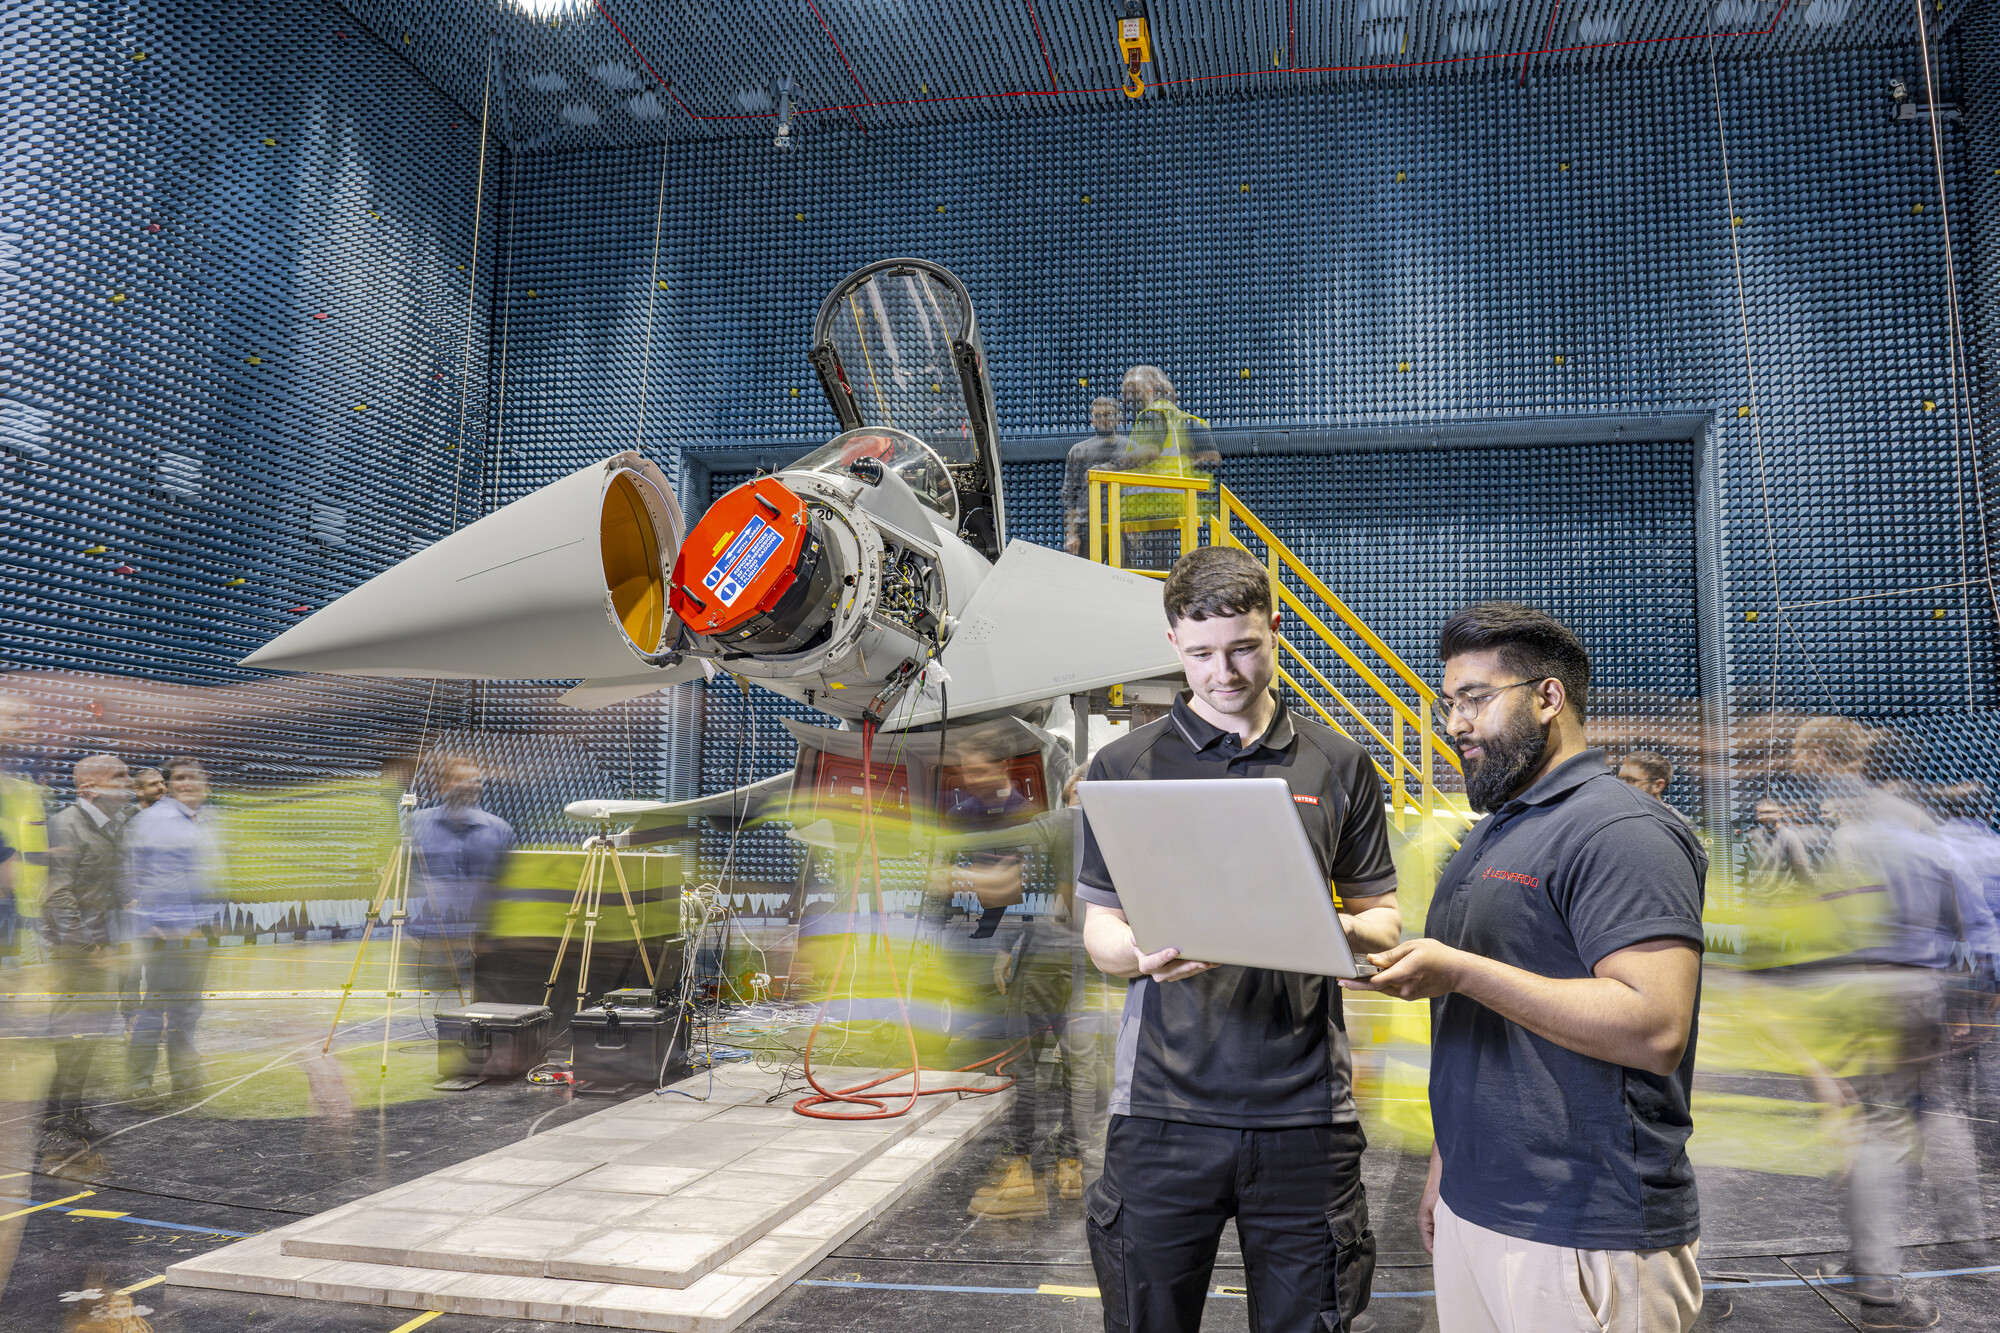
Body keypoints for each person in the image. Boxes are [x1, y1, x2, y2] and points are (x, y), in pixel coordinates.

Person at [1347, 602, 1706, 1333]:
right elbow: (1480, 1021)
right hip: (1479, 1203)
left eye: (1476, 698)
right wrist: (1450, 1170)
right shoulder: (1500, 829)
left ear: (1548, 698)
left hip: (1584, 1225)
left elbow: (1654, 1025)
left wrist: (1462, 971)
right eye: (1451, 702)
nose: (1455, 722)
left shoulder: (1621, 829)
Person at [1077, 544, 1401, 1333]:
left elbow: (1382, 919)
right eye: (1202, 655)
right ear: (1173, 648)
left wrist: (1316, 924)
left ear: (1276, 629)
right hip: (1160, 1113)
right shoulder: (1124, 767)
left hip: (1305, 1118)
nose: (1224, 672)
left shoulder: (1340, 762)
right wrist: (1140, 956)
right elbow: (1101, 932)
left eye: (1244, 647)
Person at [970, 769, 1095, 1219]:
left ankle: (1021, 1163)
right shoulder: (1118, 830)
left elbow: (1024, 892)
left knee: (1027, 1065)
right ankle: (1070, 1163)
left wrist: (1004, 951)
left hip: (1046, 961)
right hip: (1089, 964)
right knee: (1078, 1071)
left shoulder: (1053, 825)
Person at [39, 755, 133, 1163]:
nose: (129, 782)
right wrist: (87, 948)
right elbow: (58, 894)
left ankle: (71, 1113)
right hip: (76, 948)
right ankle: (57, 1119)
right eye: (119, 776)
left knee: (92, 1030)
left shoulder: (115, 825)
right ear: (88, 788)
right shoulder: (65, 824)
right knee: (72, 1032)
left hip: (103, 945)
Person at [123, 756, 222, 1106]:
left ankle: (185, 1080)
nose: (187, 783)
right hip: (166, 933)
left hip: (198, 932)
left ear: (206, 782)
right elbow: (137, 874)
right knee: (156, 1009)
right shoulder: (156, 821)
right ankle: (138, 1084)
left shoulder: (207, 822)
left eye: (194, 777)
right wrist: (154, 924)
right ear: (169, 784)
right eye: (179, 778)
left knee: (188, 1011)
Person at [409, 756, 513, 990]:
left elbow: (506, 888)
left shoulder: (500, 831)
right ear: (443, 785)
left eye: (475, 780)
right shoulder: (416, 825)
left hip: (481, 949)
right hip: (429, 948)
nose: (471, 786)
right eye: (461, 779)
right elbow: (400, 880)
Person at [1062, 397, 1134, 555]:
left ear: (1119, 417)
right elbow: (1069, 496)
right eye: (1099, 416)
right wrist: (1071, 534)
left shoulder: (1131, 449)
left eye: (1109, 414)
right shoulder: (1079, 451)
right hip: (1086, 528)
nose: (1104, 419)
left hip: (1121, 527)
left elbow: (1139, 490)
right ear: (1092, 419)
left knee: (1122, 578)